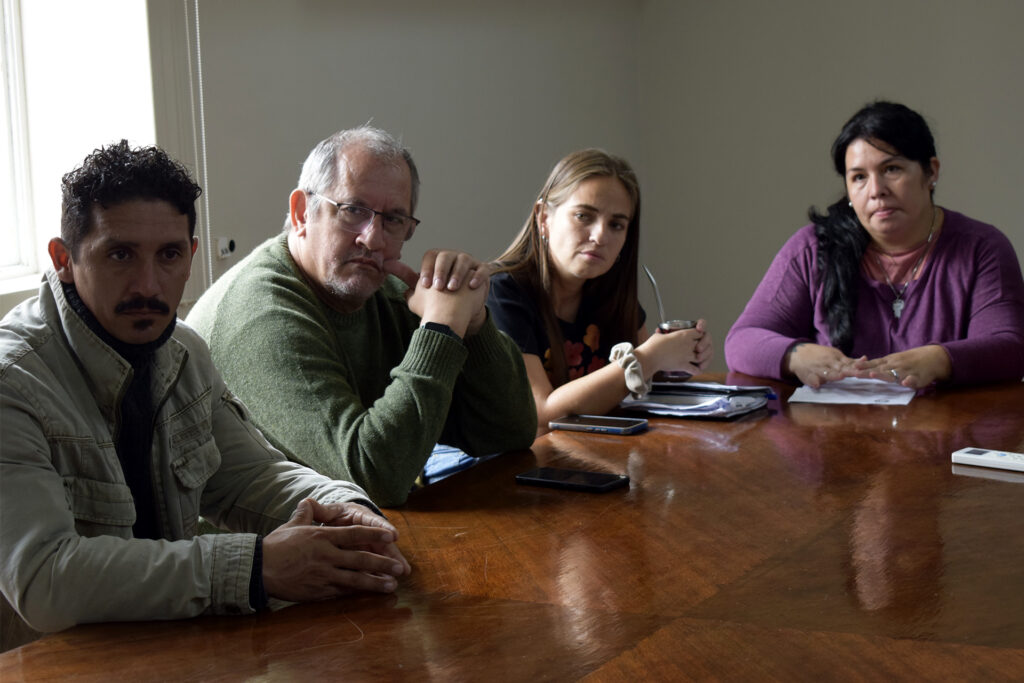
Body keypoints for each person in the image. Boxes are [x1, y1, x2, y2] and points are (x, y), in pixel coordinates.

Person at [0, 142, 411, 649]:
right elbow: (45, 579)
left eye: (169, 255)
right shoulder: (12, 382)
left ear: (191, 255)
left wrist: (349, 511)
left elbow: (251, 478)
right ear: (64, 259)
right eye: (120, 254)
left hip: (170, 650)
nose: (148, 285)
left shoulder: (181, 351)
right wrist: (256, 567)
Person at [186, 126, 536, 506]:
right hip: (261, 539)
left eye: (393, 220)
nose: (373, 238)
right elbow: (373, 479)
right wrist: (440, 329)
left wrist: (474, 322)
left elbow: (511, 431)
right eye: (353, 210)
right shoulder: (262, 316)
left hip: (345, 528)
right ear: (302, 213)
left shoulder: (387, 294)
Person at [725, 101, 1024, 388]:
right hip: (833, 424)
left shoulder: (982, 249)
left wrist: (938, 360)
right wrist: (794, 355)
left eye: (891, 169)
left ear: (931, 171)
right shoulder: (813, 249)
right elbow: (741, 341)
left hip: (950, 424)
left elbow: (1010, 347)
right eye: (859, 177)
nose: (876, 190)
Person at [487, 149, 713, 434]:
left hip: (593, 454)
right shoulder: (502, 294)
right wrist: (649, 358)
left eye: (616, 225)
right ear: (544, 218)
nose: (600, 236)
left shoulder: (609, 294)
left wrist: (679, 358)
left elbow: (645, 385)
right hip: (509, 460)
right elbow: (540, 415)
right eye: (583, 216)